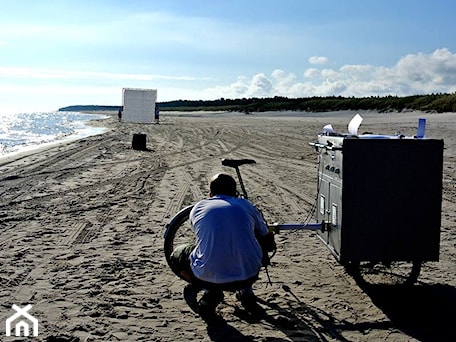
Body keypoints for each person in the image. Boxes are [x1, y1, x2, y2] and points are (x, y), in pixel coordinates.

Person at [170, 173, 276, 316]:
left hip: (209, 276)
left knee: (177, 255)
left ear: (211, 192)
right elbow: (268, 241)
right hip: (249, 274)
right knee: (256, 238)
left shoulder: (198, 207)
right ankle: (246, 290)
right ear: (235, 192)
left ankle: (209, 290)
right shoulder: (247, 205)